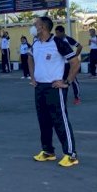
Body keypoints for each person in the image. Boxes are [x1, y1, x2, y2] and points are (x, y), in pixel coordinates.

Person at [29, 16, 80, 168]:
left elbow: (75, 63)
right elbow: (29, 58)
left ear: (42, 27)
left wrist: (67, 82)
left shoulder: (58, 42)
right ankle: (48, 151)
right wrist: (33, 77)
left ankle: (71, 155)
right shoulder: (36, 43)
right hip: (39, 88)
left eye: (35, 24)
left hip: (54, 88)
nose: (33, 27)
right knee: (43, 121)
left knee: (60, 120)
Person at [54, 26, 84, 104]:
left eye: (58, 33)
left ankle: (77, 97)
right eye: (56, 33)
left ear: (62, 32)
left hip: (70, 64)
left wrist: (76, 55)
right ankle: (63, 98)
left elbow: (80, 46)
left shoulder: (69, 39)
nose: (56, 35)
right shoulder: (56, 41)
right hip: (62, 65)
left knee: (73, 81)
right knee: (62, 81)